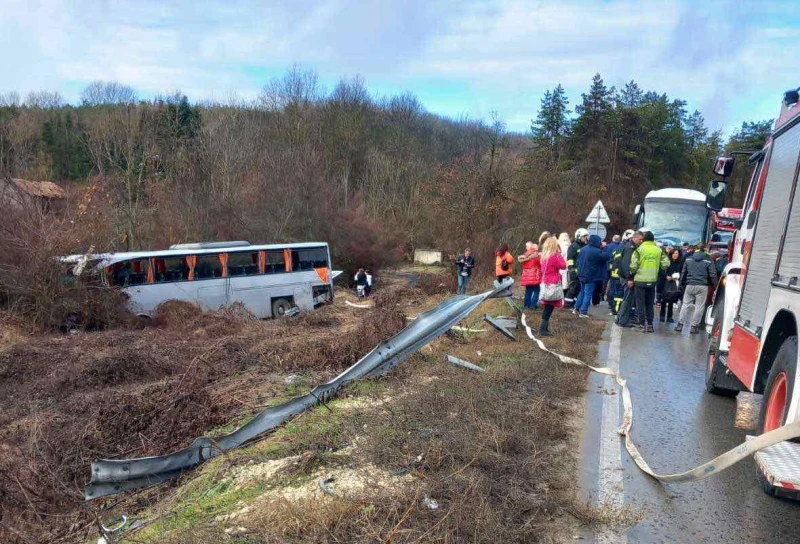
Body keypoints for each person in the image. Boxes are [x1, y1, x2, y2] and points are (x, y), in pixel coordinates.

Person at [629, 230, 669, 332]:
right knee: (650, 303)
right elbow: (666, 264)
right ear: (653, 239)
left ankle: (641, 325)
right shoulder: (658, 250)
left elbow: (633, 266)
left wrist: (631, 275)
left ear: (644, 239)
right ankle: (650, 325)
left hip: (639, 281)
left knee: (640, 303)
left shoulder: (639, 250)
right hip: (652, 281)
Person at [675, 243, 718, 334]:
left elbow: (683, 273)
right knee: (699, 306)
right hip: (702, 286)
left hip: (689, 285)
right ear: (705, 249)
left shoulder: (688, 258)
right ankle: (694, 327)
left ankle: (680, 325)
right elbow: (713, 275)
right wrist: (716, 287)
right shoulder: (709, 260)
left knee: (685, 304)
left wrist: (681, 284)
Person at [573, 234, 612, 318]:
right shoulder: (597, 251)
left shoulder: (583, 249)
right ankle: (583, 312)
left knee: (582, 292)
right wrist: (604, 247)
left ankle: (576, 308)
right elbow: (607, 256)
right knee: (588, 294)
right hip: (590, 276)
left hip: (581, 274)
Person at [538, 236, 567, 337]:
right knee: (549, 307)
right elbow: (563, 266)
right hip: (552, 284)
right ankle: (543, 329)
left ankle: (544, 328)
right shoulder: (554, 257)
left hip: (545, 282)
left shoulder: (544, 256)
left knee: (548, 306)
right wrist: (559, 253)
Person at [615, 230, 643, 327]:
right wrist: (630, 278)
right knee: (628, 300)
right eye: (640, 239)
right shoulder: (630, 248)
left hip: (626, 277)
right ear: (634, 238)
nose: (641, 241)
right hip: (627, 278)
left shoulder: (631, 246)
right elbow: (626, 264)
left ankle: (620, 319)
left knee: (627, 299)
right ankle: (622, 321)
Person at [566, 228, 589, 305]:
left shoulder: (585, 246)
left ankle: (575, 304)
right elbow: (570, 259)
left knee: (578, 289)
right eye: (584, 236)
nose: (586, 238)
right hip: (574, 271)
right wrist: (571, 269)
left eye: (586, 236)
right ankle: (568, 304)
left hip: (582, 271)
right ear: (579, 236)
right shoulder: (573, 246)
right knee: (573, 288)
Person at [659, 249, 683, 323]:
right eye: (674, 253)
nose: (675, 255)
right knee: (664, 299)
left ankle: (670, 316)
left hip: (675, 282)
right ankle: (662, 316)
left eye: (677, 253)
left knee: (671, 300)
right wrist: (666, 276)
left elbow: (682, 272)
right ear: (671, 254)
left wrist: (677, 276)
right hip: (666, 282)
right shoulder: (667, 262)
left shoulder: (680, 263)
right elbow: (661, 270)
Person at [519, 241, 542, 311]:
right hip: (535, 275)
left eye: (526, 246)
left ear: (529, 247)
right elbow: (540, 263)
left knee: (528, 291)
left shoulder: (524, 255)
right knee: (537, 290)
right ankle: (532, 305)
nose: (526, 248)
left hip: (527, 276)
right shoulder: (537, 254)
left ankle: (526, 306)